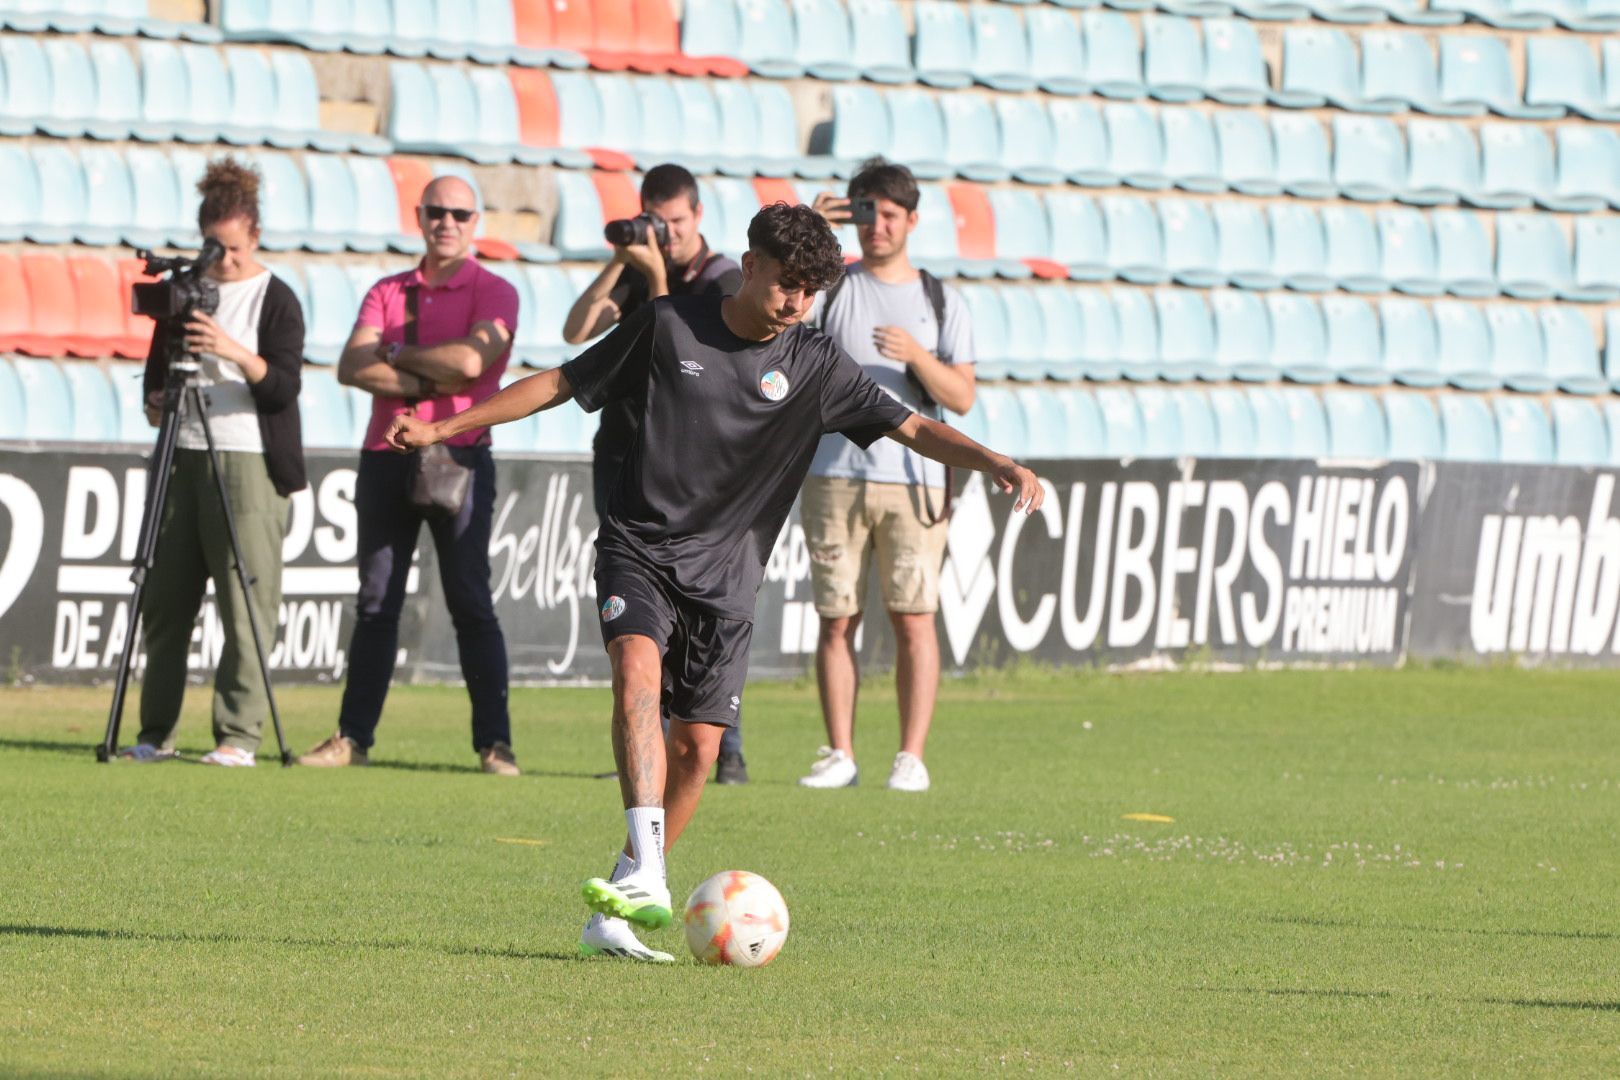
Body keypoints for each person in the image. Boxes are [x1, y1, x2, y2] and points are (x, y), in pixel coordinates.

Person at [384, 203, 1043, 961]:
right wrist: (443, 427)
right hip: (640, 546)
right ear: (750, 263)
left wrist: (994, 459)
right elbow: (562, 381)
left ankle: (620, 903)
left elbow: (917, 428)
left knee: (698, 747)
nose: (795, 302)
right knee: (635, 668)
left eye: (810, 291)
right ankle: (652, 872)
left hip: (728, 577)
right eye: (785, 283)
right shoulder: (668, 325)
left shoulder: (818, 363)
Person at [297, 176, 522, 775]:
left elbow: (473, 361)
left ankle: (495, 745)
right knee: (376, 605)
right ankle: (352, 737)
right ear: (419, 216)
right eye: (436, 212)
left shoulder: (496, 290)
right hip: (384, 454)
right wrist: (431, 378)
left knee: (471, 603)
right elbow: (350, 365)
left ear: (476, 222)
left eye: (459, 213)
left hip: (462, 455)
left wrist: (394, 354)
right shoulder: (387, 289)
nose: (446, 222)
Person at [562, 162, 753, 786]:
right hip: (624, 453)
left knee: (704, 604)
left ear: (697, 216)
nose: (665, 232)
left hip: (695, 463)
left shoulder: (723, 276)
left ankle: (723, 749)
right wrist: (622, 262)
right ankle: (645, 742)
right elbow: (576, 330)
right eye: (656, 220)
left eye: (675, 222)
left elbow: (687, 345)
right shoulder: (640, 269)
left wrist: (655, 276)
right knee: (640, 613)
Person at [120, 156, 307, 767]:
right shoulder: (185, 292)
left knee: (245, 602)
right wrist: (156, 401)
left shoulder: (276, 298)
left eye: (231, 248)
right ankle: (156, 732)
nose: (221, 261)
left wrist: (228, 348)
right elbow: (154, 379)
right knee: (166, 601)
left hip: (248, 459)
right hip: (181, 454)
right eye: (212, 247)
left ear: (253, 235)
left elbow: (282, 387)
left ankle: (238, 735)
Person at [797, 159, 976, 794]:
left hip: (915, 477)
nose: (876, 226)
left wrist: (917, 356)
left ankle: (911, 755)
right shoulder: (835, 288)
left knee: (913, 616)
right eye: (865, 211)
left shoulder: (940, 299)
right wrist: (811, 233)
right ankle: (840, 750)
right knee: (835, 616)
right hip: (833, 470)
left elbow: (961, 398)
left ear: (912, 220)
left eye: (889, 214)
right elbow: (781, 331)